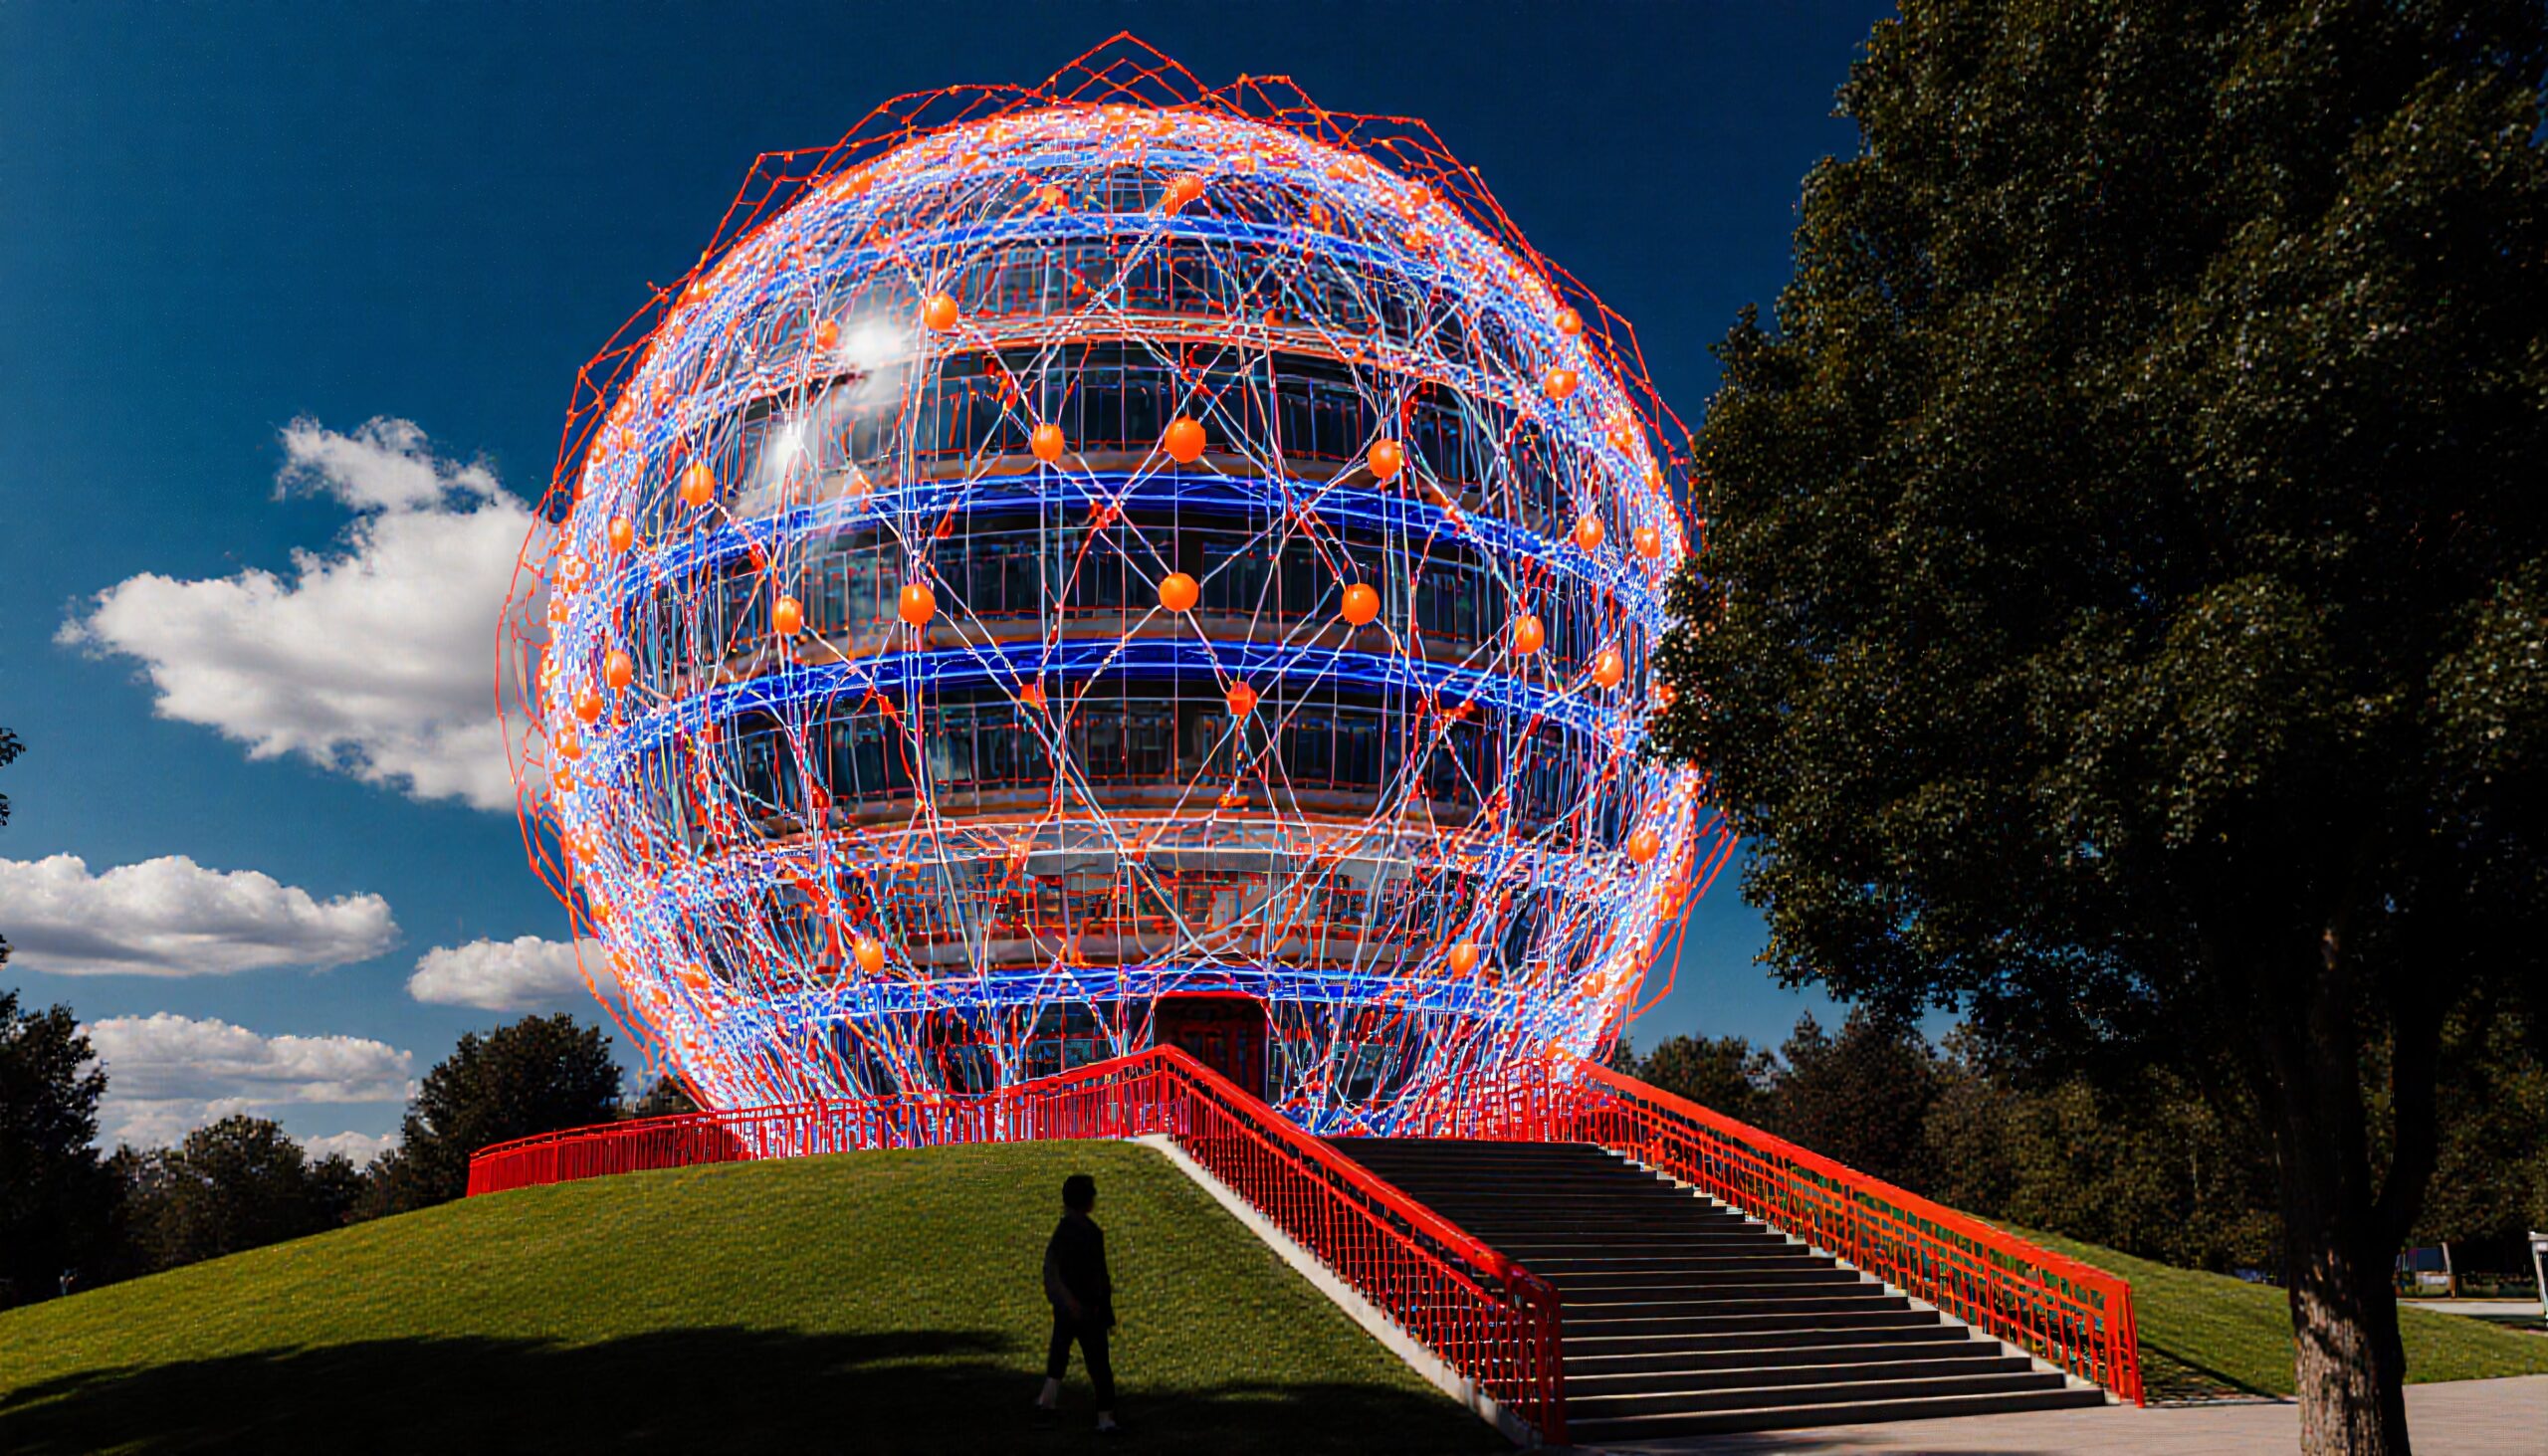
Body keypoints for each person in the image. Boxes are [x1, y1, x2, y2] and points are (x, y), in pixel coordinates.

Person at [1035, 1172, 1119, 1434]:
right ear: (1089, 1202)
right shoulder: (1092, 1234)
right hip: (1089, 1310)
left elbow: (1052, 1269)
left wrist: (1063, 1299)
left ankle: (1047, 1400)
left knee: (1058, 1356)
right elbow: (1100, 1276)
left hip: (1066, 1308)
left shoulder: (1062, 1232)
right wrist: (1104, 1310)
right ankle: (1105, 1418)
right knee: (1099, 1365)